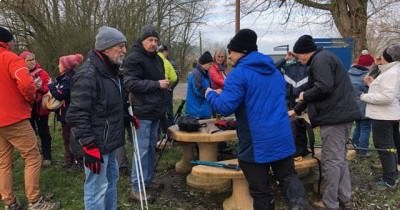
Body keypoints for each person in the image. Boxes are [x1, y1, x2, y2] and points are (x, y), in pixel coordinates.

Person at [206, 29, 307, 210]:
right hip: (282, 136)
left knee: (261, 192)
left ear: (242, 51)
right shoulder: (275, 72)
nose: (229, 56)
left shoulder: (239, 74)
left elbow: (224, 107)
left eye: (231, 51)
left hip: (256, 143)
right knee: (288, 179)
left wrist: (211, 94)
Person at [289, 35, 361, 210]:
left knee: (332, 161)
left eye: (298, 56)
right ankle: (345, 198)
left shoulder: (320, 61)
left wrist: (303, 96)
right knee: (340, 159)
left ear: (304, 53)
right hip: (343, 115)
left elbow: (323, 87)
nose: (298, 59)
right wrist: (297, 110)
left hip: (334, 118)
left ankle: (330, 203)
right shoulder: (324, 58)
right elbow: (315, 86)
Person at [66, 26, 127, 210]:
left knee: (111, 182)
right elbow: (77, 115)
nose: (124, 50)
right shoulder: (88, 75)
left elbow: (107, 105)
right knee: (96, 189)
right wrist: (90, 147)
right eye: (121, 46)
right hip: (95, 144)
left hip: (109, 142)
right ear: (106, 48)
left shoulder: (112, 71)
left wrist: (125, 116)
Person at [0, 26, 59, 210]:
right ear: (8, 42)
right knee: (32, 156)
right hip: (13, 117)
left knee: (3, 161)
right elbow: (26, 83)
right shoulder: (10, 58)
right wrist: (30, 97)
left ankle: (10, 202)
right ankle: (35, 201)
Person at [122, 24, 169, 201]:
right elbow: (130, 84)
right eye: (150, 40)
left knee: (150, 148)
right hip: (141, 112)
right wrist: (157, 84)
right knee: (141, 150)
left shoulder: (156, 59)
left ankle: (146, 181)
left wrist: (164, 87)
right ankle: (136, 187)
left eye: (156, 40)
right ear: (142, 41)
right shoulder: (134, 58)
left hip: (155, 110)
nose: (153, 43)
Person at [360, 44, 400, 190]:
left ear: (388, 57)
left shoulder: (392, 73)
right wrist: (372, 83)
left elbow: (387, 97)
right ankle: (392, 173)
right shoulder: (391, 71)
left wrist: (364, 96)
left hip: (384, 116)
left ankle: (389, 180)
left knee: (384, 147)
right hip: (388, 114)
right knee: (390, 146)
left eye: (382, 55)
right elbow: (385, 91)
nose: (379, 57)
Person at [48, 53, 83, 169]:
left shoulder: (68, 79)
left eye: (60, 64)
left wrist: (51, 86)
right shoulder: (69, 76)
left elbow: (60, 95)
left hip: (69, 113)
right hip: (71, 112)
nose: (58, 66)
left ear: (65, 66)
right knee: (70, 137)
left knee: (69, 138)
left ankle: (74, 161)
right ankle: (72, 160)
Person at [20, 50, 53, 167]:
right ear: (23, 61)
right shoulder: (21, 74)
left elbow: (49, 88)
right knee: (31, 133)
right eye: (29, 60)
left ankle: (47, 156)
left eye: (33, 59)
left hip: (40, 108)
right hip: (27, 109)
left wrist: (38, 88)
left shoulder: (42, 73)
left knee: (44, 132)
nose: (32, 62)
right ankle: (35, 156)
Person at [275, 51, 311, 157]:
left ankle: (301, 150)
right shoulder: (288, 68)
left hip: (303, 102)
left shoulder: (309, 67)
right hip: (288, 102)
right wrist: (285, 59)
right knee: (290, 128)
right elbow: (273, 68)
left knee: (301, 127)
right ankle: (293, 152)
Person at [348, 50, 374, 158]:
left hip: (352, 106)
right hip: (364, 106)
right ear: (368, 65)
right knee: (365, 127)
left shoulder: (349, 73)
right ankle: (363, 152)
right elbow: (372, 92)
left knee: (357, 126)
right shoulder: (367, 76)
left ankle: (355, 146)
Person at [185, 51, 214, 119]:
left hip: (204, 111)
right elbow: (199, 91)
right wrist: (213, 93)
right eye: (210, 64)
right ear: (204, 63)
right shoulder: (196, 74)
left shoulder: (206, 73)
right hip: (196, 113)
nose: (211, 66)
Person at [157, 44, 178, 133]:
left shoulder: (171, 62)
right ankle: (165, 132)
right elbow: (175, 78)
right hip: (163, 91)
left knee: (168, 112)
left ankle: (170, 132)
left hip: (166, 91)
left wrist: (171, 88)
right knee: (163, 113)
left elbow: (176, 79)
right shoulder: (164, 62)